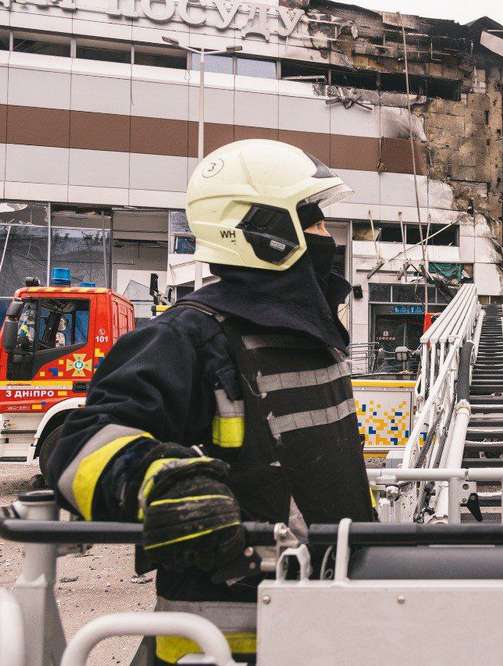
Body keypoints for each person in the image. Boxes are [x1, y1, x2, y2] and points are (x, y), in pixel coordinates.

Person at [46, 140, 375, 665]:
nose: (323, 236)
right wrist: (166, 481)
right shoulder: (188, 336)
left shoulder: (313, 336)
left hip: (330, 620)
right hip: (223, 644)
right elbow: (77, 442)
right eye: (310, 220)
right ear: (265, 232)